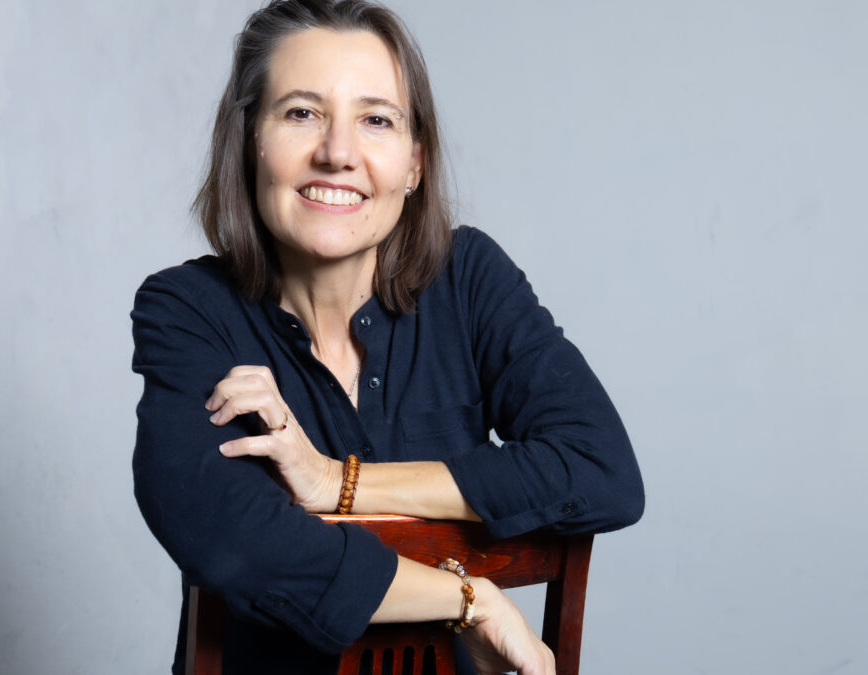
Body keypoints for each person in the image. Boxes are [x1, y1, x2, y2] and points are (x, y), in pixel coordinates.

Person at [131, 1, 644, 673]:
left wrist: (336, 483)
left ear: (414, 162)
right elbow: (225, 541)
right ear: (251, 140)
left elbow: (602, 471)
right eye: (301, 113)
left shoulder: (470, 281)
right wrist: (469, 599)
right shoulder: (189, 311)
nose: (337, 153)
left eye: (376, 120)